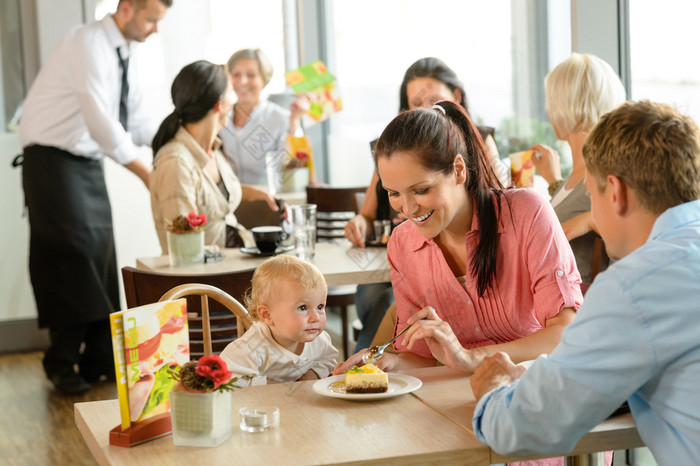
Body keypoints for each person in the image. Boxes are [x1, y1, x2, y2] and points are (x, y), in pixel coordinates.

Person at [467, 101, 700, 464]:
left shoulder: (634, 287)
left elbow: (523, 427)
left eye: (591, 195)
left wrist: (494, 392)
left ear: (616, 192)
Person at [335, 100, 582, 377]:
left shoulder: (527, 212)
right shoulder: (403, 244)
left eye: (421, 189)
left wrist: (470, 358)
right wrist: (391, 363)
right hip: (456, 398)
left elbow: (565, 332)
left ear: (459, 170)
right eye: (394, 193)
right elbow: (427, 358)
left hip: (531, 388)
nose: (408, 208)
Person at [18, 0, 172, 395]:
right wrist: (146, 174)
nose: (155, 28)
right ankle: (61, 360)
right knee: (72, 256)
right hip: (51, 162)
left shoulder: (124, 53)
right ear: (127, 8)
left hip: (84, 164)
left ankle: (100, 359)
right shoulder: (85, 43)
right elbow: (100, 121)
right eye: (152, 18)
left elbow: (133, 120)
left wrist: (178, 143)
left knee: (101, 258)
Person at [345, 57, 511, 352]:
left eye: (433, 99)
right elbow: (368, 213)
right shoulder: (392, 153)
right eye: (416, 102)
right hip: (403, 258)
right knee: (380, 300)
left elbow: (497, 194)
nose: (425, 108)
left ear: (455, 97)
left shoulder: (479, 143)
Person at [150, 60, 278, 252]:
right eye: (230, 94)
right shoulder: (175, 164)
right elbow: (186, 250)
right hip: (213, 277)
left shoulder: (213, 151)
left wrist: (255, 194)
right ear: (219, 104)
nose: (234, 101)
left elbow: (210, 196)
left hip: (234, 259)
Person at [530, 53, 626, 284]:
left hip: (580, 311)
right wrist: (555, 181)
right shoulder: (578, 176)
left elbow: (627, 251)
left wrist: (591, 220)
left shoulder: (604, 178)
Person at [220, 255, 339, 385]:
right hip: (260, 404)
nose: (315, 317)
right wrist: (271, 386)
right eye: (303, 308)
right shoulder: (251, 347)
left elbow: (327, 359)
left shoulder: (319, 340)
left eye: (320, 307)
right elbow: (225, 379)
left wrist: (312, 374)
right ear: (267, 315)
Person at [219, 48, 311, 187]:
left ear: (264, 79)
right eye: (236, 74)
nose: (243, 81)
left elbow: (293, 166)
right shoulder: (220, 115)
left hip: (267, 201)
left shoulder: (281, 118)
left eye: (251, 75)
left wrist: (295, 121)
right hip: (228, 200)